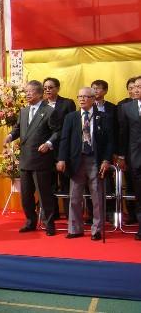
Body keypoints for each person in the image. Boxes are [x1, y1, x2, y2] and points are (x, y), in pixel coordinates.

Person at [4, 80, 61, 236]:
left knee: (44, 195)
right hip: (25, 159)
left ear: (40, 93)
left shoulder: (49, 111)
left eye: (30, 91)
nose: (27, 94)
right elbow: (17, 129)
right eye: (26, 91)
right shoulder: (23, 111)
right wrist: (10, 136)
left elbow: (57, 132)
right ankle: (30, 222)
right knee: (26, 195)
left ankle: (49, 224)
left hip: (42, 159)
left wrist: (49, 143)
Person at [57, 87, 113, 240]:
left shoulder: (104, 117)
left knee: (97, 196)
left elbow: (110, 141)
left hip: (95, 160)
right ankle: (75, 229)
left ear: (93, 99)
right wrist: (61, 159)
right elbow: (64, 139)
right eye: (79, 96)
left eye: (85, 96)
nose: (82, 99)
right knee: (75, 196)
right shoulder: (71, 117)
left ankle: (97, 230)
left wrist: (106, 160)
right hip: (76, 160)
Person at [43, 77, 76, 219]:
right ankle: (52, 213)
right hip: (45, 150)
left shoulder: (67, 103)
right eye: (45, 88)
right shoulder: (41, 104)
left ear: (57, 88)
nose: (47, 90)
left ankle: (70, 214)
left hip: (63, 147)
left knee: (65, 182)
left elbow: (71, 126)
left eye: (50, 87)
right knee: (48, 183)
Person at [91, 79, 118, 221]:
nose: (95, 91)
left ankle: (110, 211)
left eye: (98, 88)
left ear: (105, 91)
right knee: (90, 182)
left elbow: (116, 130)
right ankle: (92, 213)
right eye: (93, 88)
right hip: (91, 149)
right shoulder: (87, 106)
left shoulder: (113, 108)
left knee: (107, 181)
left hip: (107, 149)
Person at [117, 76, 141, 240]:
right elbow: (123, 134)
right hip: (136, 157)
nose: (136, 89)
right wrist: (121, 156)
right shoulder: (127, 108)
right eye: (135, 86)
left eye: (140, 86)